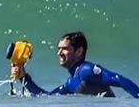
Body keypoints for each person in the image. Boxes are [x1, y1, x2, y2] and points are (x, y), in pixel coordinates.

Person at [11, 31, 139, 98]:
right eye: (58, 48)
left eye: (64, 48)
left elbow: (118, 79)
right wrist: (23, 77)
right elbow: (46, 97)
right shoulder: (70, 83)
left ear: (79, 51)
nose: (59, 53)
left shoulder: (86, 70)